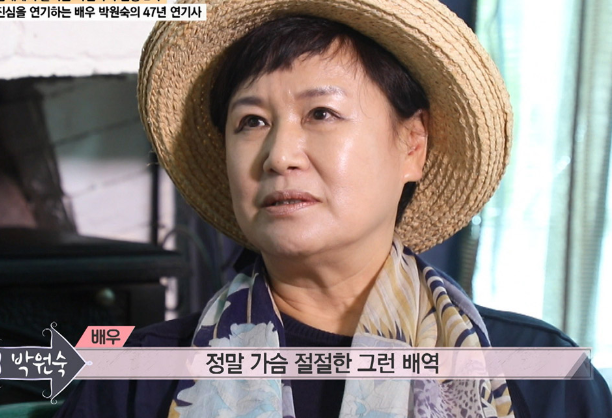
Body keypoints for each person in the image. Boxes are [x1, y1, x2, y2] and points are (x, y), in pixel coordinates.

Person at [56, 0, 612, 417]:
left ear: (412, 146)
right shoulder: (134, 380)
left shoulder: (544, 377)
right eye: (251, 122)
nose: (279, 155)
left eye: (321, 113)